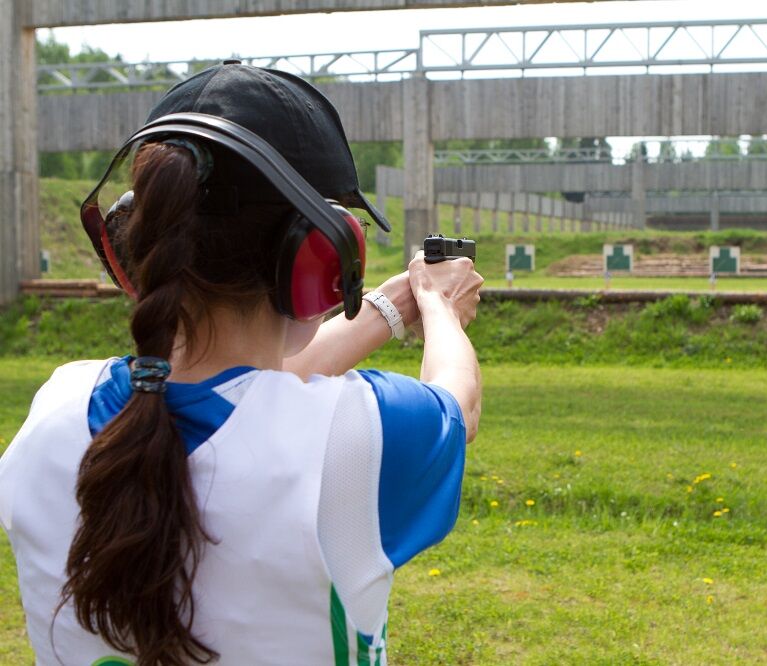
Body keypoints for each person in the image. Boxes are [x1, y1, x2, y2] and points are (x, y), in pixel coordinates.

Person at [0, 61, 483, 665]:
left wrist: (392, 305)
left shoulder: (54, 412)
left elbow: (250, 394)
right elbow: (455, 406)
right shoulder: (355, 439)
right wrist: (440, 307)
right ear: (316, 262)